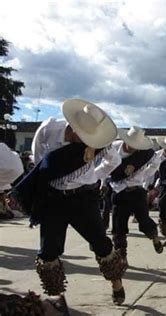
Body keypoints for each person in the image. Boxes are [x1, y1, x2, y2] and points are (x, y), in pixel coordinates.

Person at [11, 99, 127, 306]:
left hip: (84, 198)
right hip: (54, 198)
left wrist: (94, 176)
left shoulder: (99, 143)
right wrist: (46, 178)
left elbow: (114, 162)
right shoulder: (49, 128)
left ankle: (116, 281)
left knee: (100, 243)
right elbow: (39, 157)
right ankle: (56, 297)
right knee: (48, 251)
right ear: (74, 127)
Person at [108, 126, 164, 266]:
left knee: (144, 222)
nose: (135, 149)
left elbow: (156, 162)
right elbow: (105, 164)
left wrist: (145, 174)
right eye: (133, 145)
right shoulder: (113, 148)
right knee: (118, 227)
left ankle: (154, 237)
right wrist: (104, 182)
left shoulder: (146, 153)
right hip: (119, 192)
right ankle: (122, 256)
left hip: (137, 191)